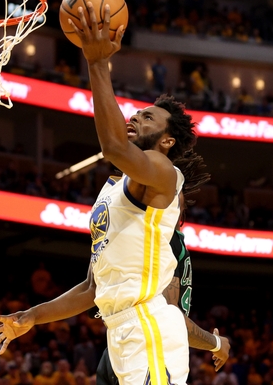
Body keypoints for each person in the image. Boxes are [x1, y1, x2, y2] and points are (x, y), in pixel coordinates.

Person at [0, 2, 202, 385]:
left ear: (167, 140)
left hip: (149, 324)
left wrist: (98, 63)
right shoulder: (112, 189)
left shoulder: (164, 172)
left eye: (147, 117)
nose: (134, 117)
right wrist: (32, 316)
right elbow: (90, 288)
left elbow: (115, 148)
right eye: (135, 113)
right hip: (118, 329)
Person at [96, 150, 230, 385]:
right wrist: (217, 343)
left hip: (125, 343)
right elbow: (167, 313)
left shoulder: (165, 240)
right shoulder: (164, 240)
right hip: (142, 341)